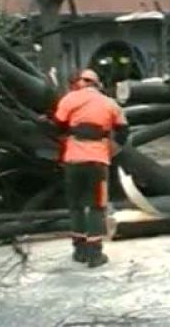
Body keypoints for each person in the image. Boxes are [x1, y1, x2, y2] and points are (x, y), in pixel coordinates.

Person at [53, 69, 129, 267]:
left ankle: (79, 250)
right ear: (97, 84)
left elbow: (57, 126)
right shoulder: (110, 103)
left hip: (72, 161)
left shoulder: (69, 99)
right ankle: (95, 254)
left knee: (76, 205)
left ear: (79, 83)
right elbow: (123, 132)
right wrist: (111, 150)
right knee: (97, 206)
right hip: (97, 162)